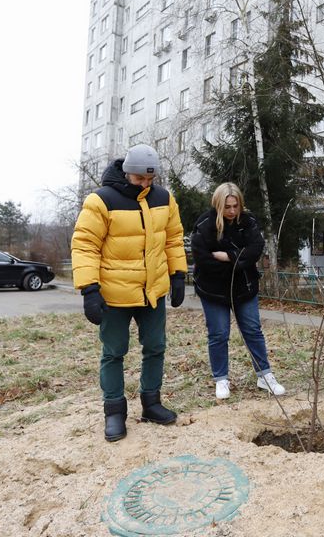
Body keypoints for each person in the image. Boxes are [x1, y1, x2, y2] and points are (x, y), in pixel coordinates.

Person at [71, 144, 188, 442]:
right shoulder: (101, 200)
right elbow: (85, 245)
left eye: (150, 180)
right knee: (113, 353)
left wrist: (177, 275)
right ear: (127, 174)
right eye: (140, 180)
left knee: (156, 347)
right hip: (114, 295)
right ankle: (114, 413)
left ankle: (151, 403)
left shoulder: (164, 198)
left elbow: (173, 239)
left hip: (152, 292)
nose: (146, 185)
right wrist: (89, 289)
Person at [191, 183, 286, 400]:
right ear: (218, 205)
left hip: (245, 288)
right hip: (213, 290)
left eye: (235, 206)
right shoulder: (204, 225)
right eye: (227, 207)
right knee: (219, 334)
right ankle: (221, 379)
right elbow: (203, 259)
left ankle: (264, 375)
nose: (232, 211)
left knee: (253, 330)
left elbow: (255, 249)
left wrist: (229, 256)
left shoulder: (248, 221)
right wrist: (239, 259)